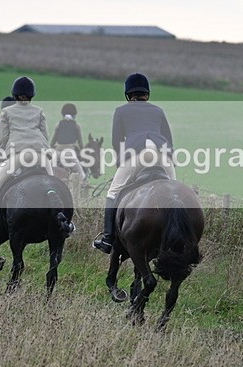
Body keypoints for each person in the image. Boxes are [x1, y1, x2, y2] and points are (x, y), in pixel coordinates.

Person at [92, 72, 176, 254]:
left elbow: (116, 141)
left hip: (136, 153)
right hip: (162, 153)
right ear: (147, 93)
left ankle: (107, 238)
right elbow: (169, 139)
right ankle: (179, 237)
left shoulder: (121, 111)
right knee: (175, 194)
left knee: (113, 191)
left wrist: (120, 163)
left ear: (128, 94)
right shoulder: (158, 111)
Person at [0, 76, 54, 235]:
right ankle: (64, 220)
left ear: (15, 94)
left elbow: (3, 137)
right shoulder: (39, 111)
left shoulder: (6, 112)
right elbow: (45, 135)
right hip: (40, 154)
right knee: (53, 184)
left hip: (19, 154)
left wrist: (7, 149)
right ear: (32, 94)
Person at [50, 103, 86, 181]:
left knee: (49, 171)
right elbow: (80, 143)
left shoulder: (58, 125)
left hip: (57, 153)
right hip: (69, 153)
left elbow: (52, 141)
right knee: (82, 175)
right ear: (74, 114)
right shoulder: (76, 125)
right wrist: (83, 151)